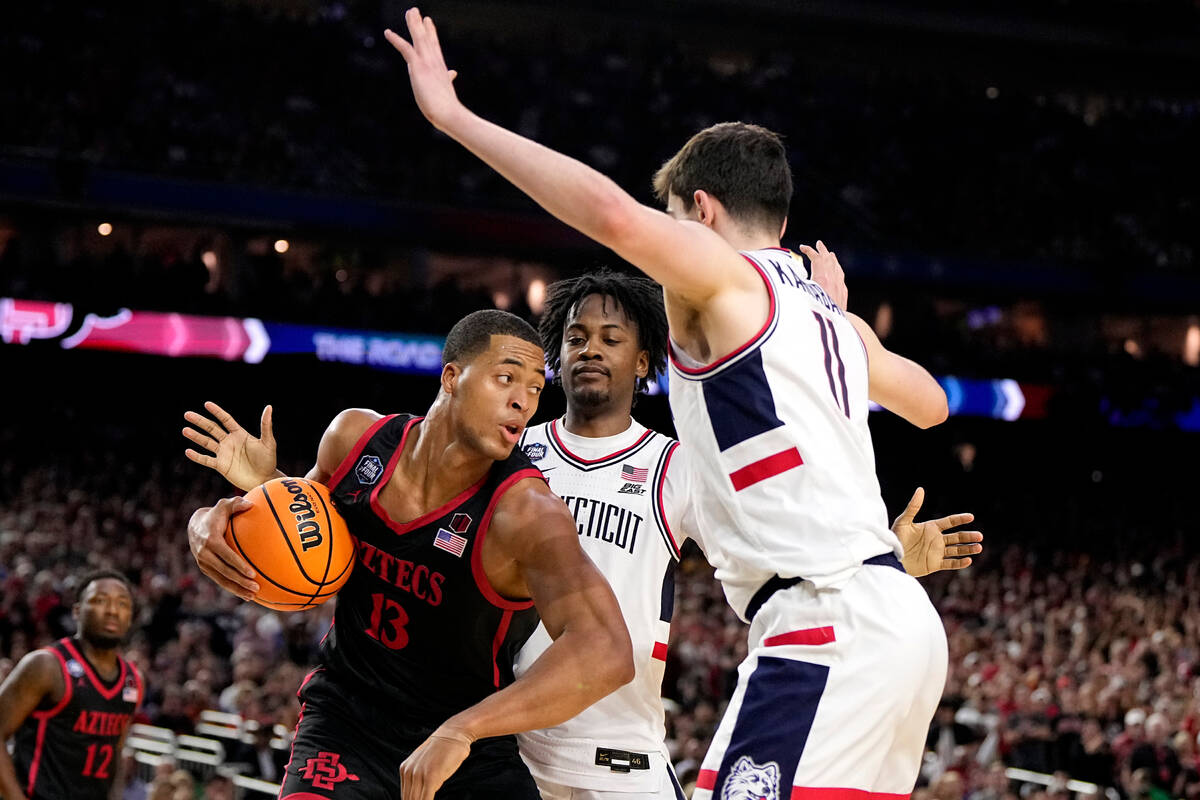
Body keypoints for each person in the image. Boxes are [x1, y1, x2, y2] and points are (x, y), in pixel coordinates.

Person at [387, 12, 955, 796]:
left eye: (680, 224)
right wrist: (837, 318)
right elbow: (931, 407)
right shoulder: (836, 320)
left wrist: (455, 118)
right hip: (902, 625)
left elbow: (612, 215)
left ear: (703, 210)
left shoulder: (725, 280)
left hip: (825, 622)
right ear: (784, 222)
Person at [515, 270, 981, 800]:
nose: (591, 350)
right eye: (576, 339)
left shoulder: (677, 466)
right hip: (515, 745)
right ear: (557, 355)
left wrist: (886, 558)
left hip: (622, 754)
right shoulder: (515, 460)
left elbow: (778, 554)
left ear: (642, 361)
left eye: (610, 339)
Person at [183, 309, 634, 800]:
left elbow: (605, 651)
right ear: (452, 376)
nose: (522, 401)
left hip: (465, 746)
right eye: (506, 378)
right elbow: (303, 562)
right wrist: (236, 506)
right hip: (347, 719)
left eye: (534, 389)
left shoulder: (526, 513)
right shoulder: (354, 440)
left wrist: (463, 730)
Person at [0, 570, 144, 800]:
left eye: (122, 603)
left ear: (130, 616)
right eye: (100, 600)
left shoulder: (133, 680)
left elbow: (116, 751)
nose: (112, 610)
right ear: (77, 611)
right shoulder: (46, 665)